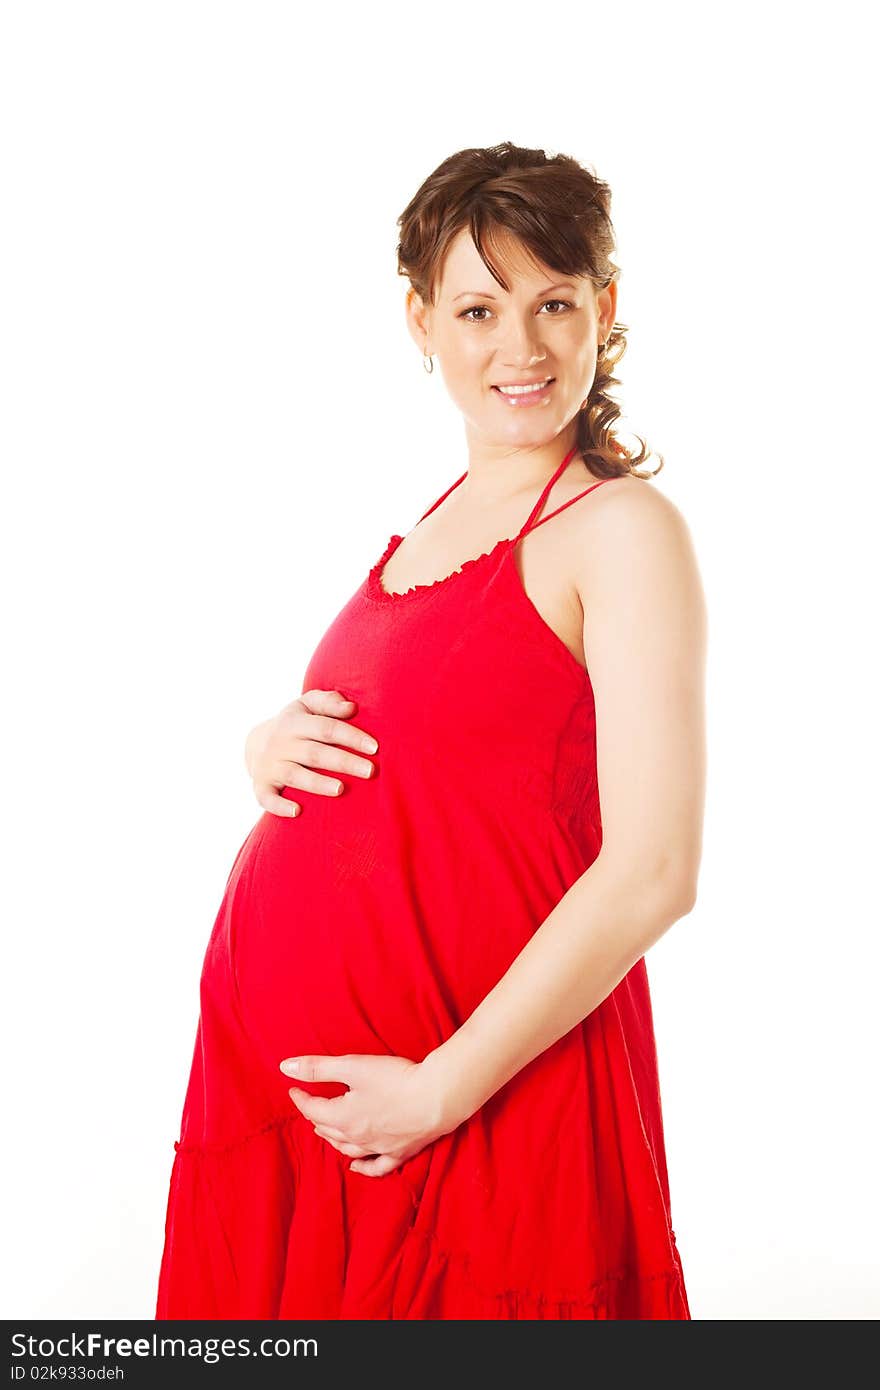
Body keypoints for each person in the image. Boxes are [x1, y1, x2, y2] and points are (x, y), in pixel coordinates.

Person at [155, 141, 707, 1320]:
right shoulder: (443, 515)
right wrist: (269, 749)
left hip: (476, 1102)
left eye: (554, 302)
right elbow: (436, 747)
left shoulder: (620, 529)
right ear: (421, 323)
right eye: (478, 307)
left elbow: (654, 871)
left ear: (604, 309)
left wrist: (438, 1092)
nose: (521, 346)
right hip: (310, 1110)